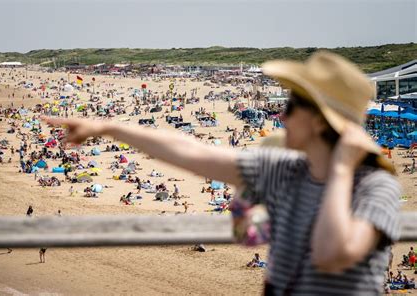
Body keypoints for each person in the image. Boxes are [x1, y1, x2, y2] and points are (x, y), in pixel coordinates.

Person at [43, 52, 401, 295]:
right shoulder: (283, 171)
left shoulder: (375, 188)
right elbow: (191, 151)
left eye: (291, 106)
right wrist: (107, 127)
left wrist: (340, 169)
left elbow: (331, 253)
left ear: (321, 121)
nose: (281, 116)